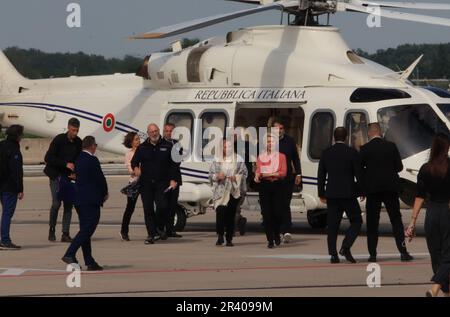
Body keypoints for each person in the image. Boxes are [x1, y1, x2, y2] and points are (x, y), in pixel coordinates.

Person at [360, 123, 413, 262]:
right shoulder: (391, 146)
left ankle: (372, 254)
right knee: (396, 220)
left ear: (369, 133)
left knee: (372, 223)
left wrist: (363, 187)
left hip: (373, 190)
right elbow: (399, 167)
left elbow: (359, 171)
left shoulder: (365, 149)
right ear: (381, 132)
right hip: (390, 188)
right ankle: (403, 252)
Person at [405, 133, 450, 297]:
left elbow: (419, 196)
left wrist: (412, 222)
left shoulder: (425, 169)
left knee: (436, 254)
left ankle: (445, 291)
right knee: (448, 255)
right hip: (447, 211)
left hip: (431, 213)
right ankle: (436, 288)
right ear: (447, 147)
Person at [317, 127, 364, 264]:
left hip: (332, 193)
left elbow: (321, 175)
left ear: (333, 138)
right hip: (348, 193)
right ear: (346, 137)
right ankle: (346, 246)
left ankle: (333, 255)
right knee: (356, 221)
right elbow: (358, 174)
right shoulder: (352, 153)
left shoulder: (326, 153)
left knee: (332, 225)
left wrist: (321, 193)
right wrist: (361, 191)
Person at [62, 136, 108, 271]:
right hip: (90, 199)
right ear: (92, 146)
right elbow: (100, 178)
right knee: (88, 228)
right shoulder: (92, 160)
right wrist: (104, 193)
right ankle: (70, 253)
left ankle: (89, 261)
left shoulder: (79, 158)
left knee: (85, 230)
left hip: (79, 200)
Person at [131, 123, 178, 245]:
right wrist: (135, 168)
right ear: (148, 133)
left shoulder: (167, 146)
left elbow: (174, 165)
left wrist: (173, 180)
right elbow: (134, 162)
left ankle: (158, 227)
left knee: (162, 206)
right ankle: (151, 234)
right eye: (151, 131)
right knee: (148, 209)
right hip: (146, 183)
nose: (154, 133)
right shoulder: (142, 147)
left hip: (162, 183)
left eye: (156, 131)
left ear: (159, 131)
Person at [44, 117, 82, 243]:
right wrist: (65, 164)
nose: (75, 133)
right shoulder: (59, 139)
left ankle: (65, 233)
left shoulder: (78, 142)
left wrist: (75, 172)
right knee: (56, 203)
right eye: (73, 130)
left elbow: (79, 160)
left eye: (77, 131)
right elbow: (48, 157)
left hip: (69, 177)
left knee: (68, 205)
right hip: (55, 175)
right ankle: (52, 229)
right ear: (68, 127)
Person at [209, 138, 248, 247]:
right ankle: (220, 236)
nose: (227, 149)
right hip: (221, 192)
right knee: (220, 212)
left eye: (229, 146)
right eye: (225, 147)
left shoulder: (238, 159)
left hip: (233, 191)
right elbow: (210, 174)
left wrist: (236, 177)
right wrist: (217, 176)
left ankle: (229, 238)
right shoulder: (217, 159)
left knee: (231, 214)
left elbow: (245, 174)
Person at [254, 133, 287, 249]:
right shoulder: (261, 157)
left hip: (277, 185)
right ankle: (270, 239)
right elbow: (258, 171)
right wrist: (257, 176)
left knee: (277, 213)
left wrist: (270, 173)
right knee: (267, 214)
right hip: (265, 186)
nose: (270, 144)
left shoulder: (281, 156)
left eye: (272, 141)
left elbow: (283, 173)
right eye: (267, 142)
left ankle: (277, 233)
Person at [272, 119, 301, 244]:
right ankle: (276, 230)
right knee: (274, 205)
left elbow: (295, 158)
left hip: (287, 178)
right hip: (272, 178)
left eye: (281, 128)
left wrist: (298, 173)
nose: (279, 130)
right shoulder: (268, 142)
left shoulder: (290, 141)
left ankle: (286, 231)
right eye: (276, 128)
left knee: (285, 204)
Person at [0, 125, 24, 250]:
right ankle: (5, 240)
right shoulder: (14, 149)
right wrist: (20, 188)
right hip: (9, 186)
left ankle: (4, 239)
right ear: (17, 136)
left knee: (5, 213)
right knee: (7, 213)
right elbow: (16, 171)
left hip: (1, 184)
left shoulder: (2, 144)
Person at [162, 123, 183, 238]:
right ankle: (162, 228)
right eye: (167, 131)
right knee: (163, 205)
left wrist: (174, 179)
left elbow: (177, 161)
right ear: (163, 131)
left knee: (172, 205)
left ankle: (170, 229)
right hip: (164, 180)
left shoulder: (177, 144)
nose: (168, 133)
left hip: (175, 179)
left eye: (170, 131)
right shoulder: (160, 144)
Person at [119, 132, 141, 241]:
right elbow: (131, 170)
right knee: (130, 208)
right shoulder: (129, 154)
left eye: (139, 139)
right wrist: (138, 171)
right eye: (136, 139)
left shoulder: (144, 151)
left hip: (145, 182)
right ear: (131, 142)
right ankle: (124, 230)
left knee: (150, 206)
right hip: (134, 183)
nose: (138, 141)